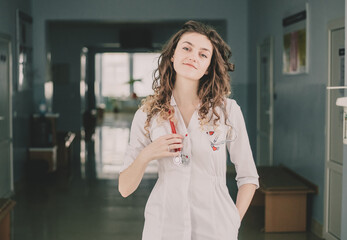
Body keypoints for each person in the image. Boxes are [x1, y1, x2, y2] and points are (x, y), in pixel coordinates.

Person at [118, 20, 259, 240]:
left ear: (208, 67)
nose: (193, 56)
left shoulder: (226, 111)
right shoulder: (148, 114)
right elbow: (124, 188)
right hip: (164, 227)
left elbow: (248, 176)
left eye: (203, 54)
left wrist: (233, 221)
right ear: (173, 55)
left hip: (215, 228)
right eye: (186, 48)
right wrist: (147, 154)